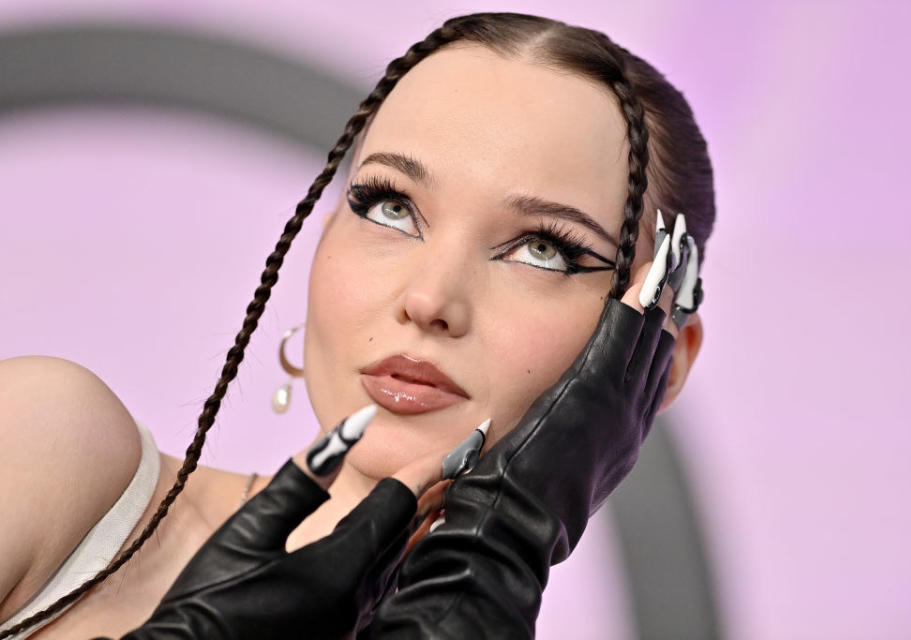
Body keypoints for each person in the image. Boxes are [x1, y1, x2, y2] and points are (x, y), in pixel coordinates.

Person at [0, 11, 713, 639]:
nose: (430, 299)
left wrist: (500, 553)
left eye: (542, 249)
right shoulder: (54, 446)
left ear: (657, 358)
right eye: (390, 206)